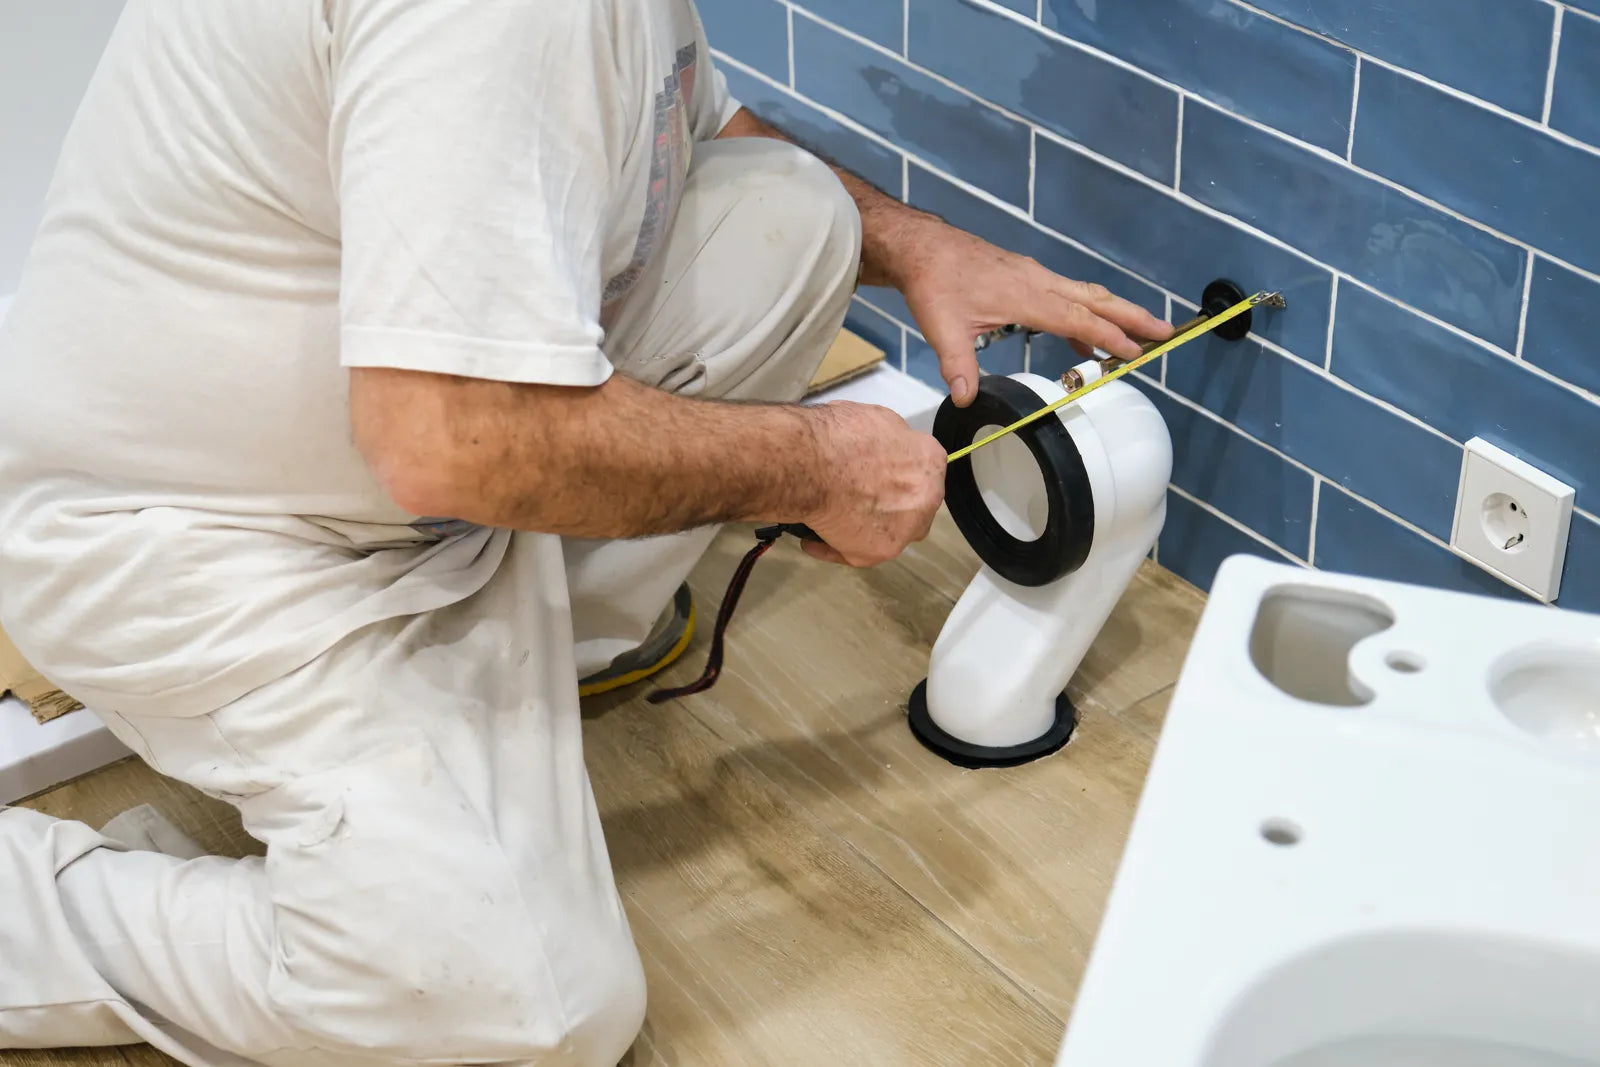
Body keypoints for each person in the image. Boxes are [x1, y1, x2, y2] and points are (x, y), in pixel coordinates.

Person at [0, 1, 1171, 1064]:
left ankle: (528, 671)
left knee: (790, 217)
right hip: (199, 537)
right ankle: (35, 916)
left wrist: (917, 242)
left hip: (399, 475)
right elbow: (445, 440)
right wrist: (819, 460)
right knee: (527, 1005)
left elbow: (698, 129)